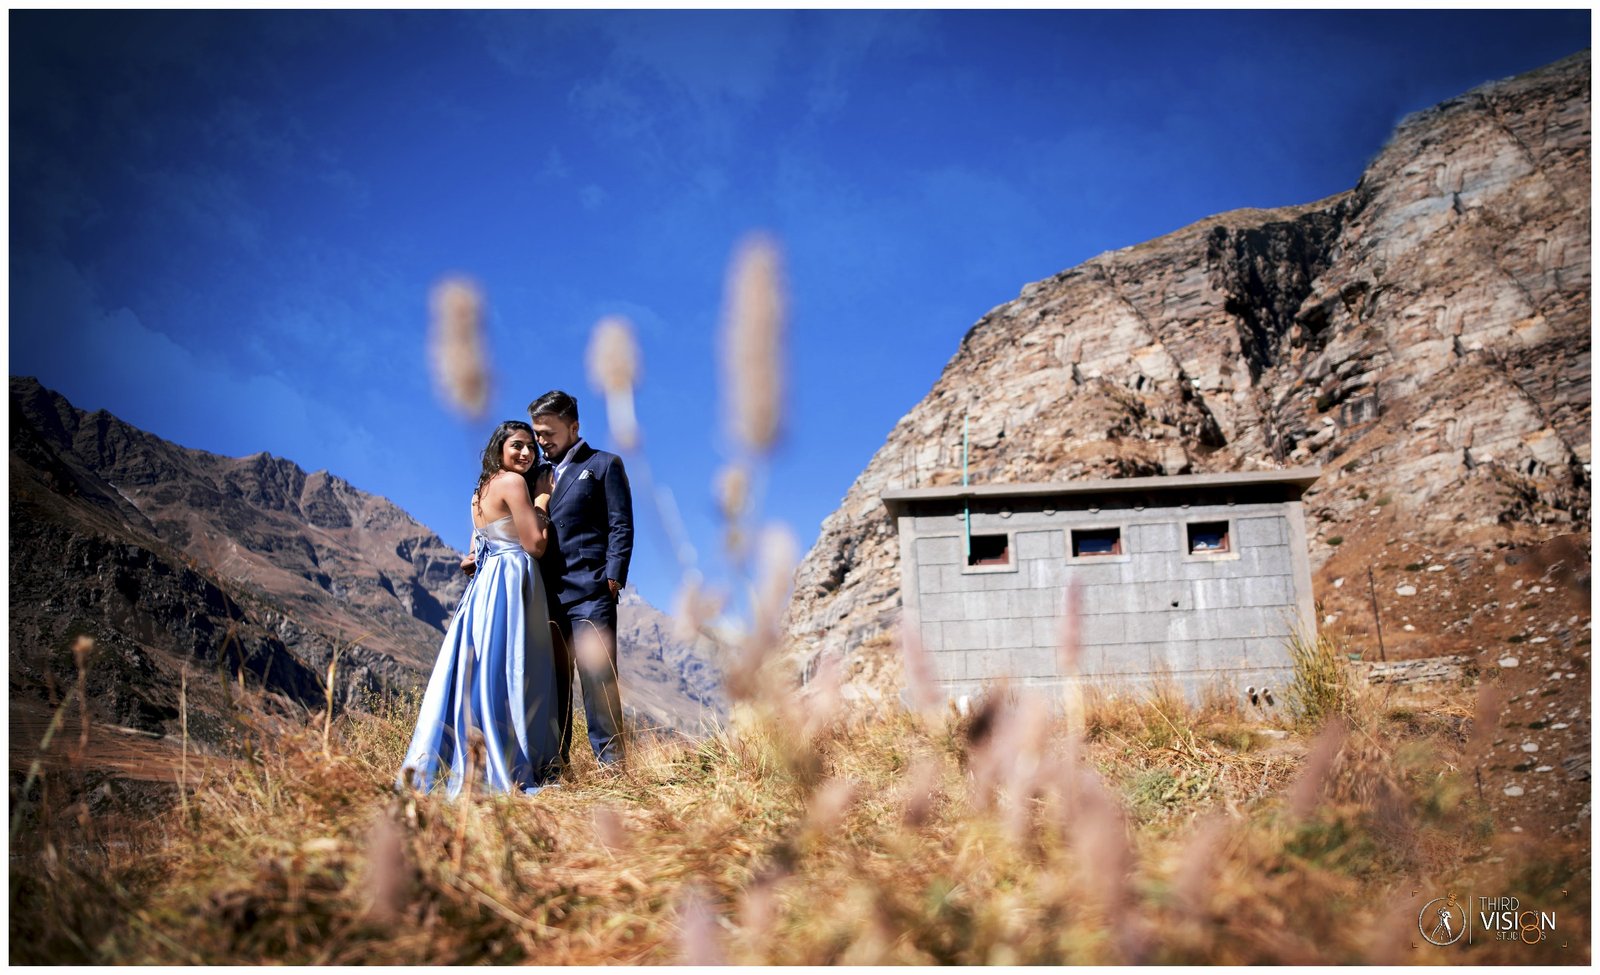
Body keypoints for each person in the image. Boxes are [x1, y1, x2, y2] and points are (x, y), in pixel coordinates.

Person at [397, 420, 563, 797]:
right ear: (499, 449)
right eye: (517, 446)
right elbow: (534, 545)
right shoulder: (513, 483)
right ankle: (510, 763)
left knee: (484, 670)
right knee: (512, 667)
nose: (526, 453)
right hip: (510, 579)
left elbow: (476, 550)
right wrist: (541, 501)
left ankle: (464, 760)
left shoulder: (478, 492)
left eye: (530, 448)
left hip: (485, 587)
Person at [526, 390, 633, 768]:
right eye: (537, 433)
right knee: (553, 685)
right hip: (548, 595)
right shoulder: (536, 476)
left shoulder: (605, 464)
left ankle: (614, 767)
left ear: (573, 427)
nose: (541, 441)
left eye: (548, 432)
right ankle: (555, 766)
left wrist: (613, 578)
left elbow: (621, 524)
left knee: (598, 680)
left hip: (592, 591)